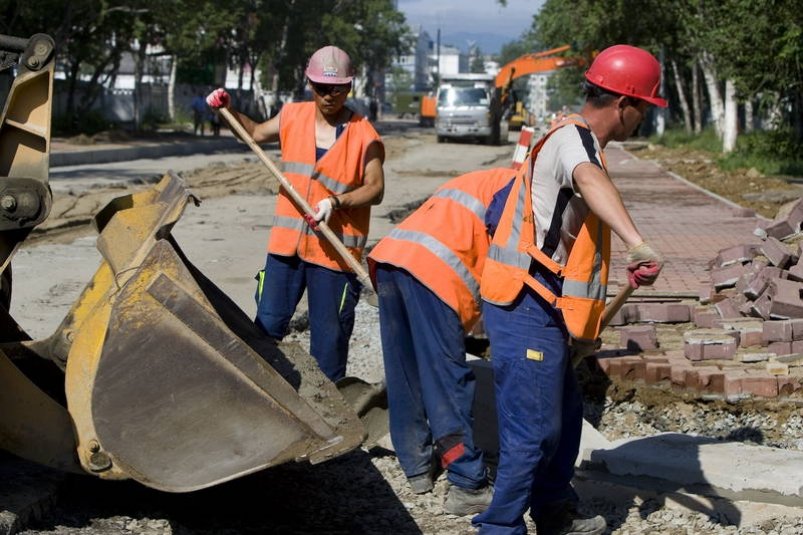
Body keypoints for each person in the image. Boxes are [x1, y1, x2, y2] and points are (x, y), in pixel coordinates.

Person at [471, 44, 666, 535]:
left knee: (565, 414)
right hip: (525, 301)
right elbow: (590, 181)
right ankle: (500, 526)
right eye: (644, 107)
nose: (642, 119)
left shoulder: (580, 141)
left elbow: (573, 234)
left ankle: (554, 512)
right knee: (533, 431)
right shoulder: (572, 139)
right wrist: (638, 242)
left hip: (549, 302)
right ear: (624, 103)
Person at [206, 45, 385, 382]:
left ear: (349, 87)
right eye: (321, 87)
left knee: (329, 347)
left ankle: (332, 419)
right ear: (309, 84)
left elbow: (376, 188)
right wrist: (226, 110)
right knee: (266, 329)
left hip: (334, 256)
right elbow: (255, 133)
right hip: (286, 250)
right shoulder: (292, 115)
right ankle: (262, 398)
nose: (329, 95)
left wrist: (336, 202)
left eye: (336, 88)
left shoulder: (364, 135)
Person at [367, 167, 514, 516]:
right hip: (434, 272)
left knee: (405, 371)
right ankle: (467, 483)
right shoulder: (523, 190)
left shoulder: (494, 176)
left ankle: (416, 467)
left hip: (392, 258)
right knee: (446, 380)